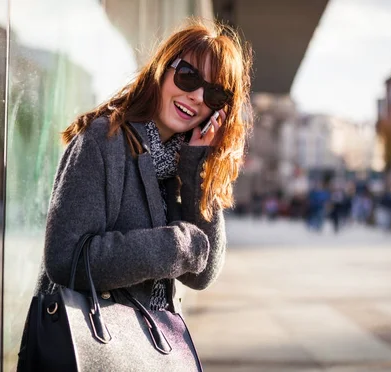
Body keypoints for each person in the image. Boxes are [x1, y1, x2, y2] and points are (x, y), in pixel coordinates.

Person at [20, 19, 252, 369]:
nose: (197, 96)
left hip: (145, 351)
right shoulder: (103, 140)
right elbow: (65, 260)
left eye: (214, 93)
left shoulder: (181, 160)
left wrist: (194, 170)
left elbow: (202, 274)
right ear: (163, 68)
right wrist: (173, 247)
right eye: (188, 76)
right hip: (89, 351)